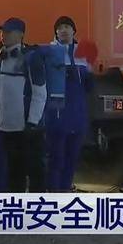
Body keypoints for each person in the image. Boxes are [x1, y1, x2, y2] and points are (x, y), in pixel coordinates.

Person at [0, 18, 48, 193]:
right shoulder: (0, 58)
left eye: (8, 32)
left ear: (21, 34)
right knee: (14, 175)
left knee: (36, 173)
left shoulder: (31, 58)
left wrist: (32, 122)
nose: (3, 35)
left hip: (27, 129)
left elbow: (40, 92)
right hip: (6, 128)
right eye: (3, 32)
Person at [45, 16, 94, 192]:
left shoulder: (82, 55)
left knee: (72, 158)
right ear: (56, 33)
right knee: (56, 158)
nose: (63, 30)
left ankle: (65, 191)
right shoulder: (50, 52)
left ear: (74, 31)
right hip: (57, 115)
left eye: (67, 27)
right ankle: (53, 193)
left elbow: (89, 87)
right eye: (60, 28)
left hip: (77, 115)